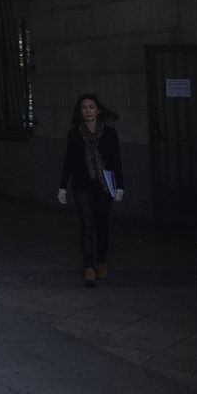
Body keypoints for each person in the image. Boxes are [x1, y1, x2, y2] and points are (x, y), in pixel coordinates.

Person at [57, 93, 125, 287]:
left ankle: (101, 262)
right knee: (87, 225)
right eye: (84, 108)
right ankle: (89, 267)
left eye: (91, 107)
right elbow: (68, 160)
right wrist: (62, 186)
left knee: (102, 225)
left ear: (98, 110)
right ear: (80, 112)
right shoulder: (74, 133)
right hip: (82, 185)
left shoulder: (110, 133)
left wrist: (120, 185)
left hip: (105, 184)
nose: (88, 111)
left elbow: (116, 160)